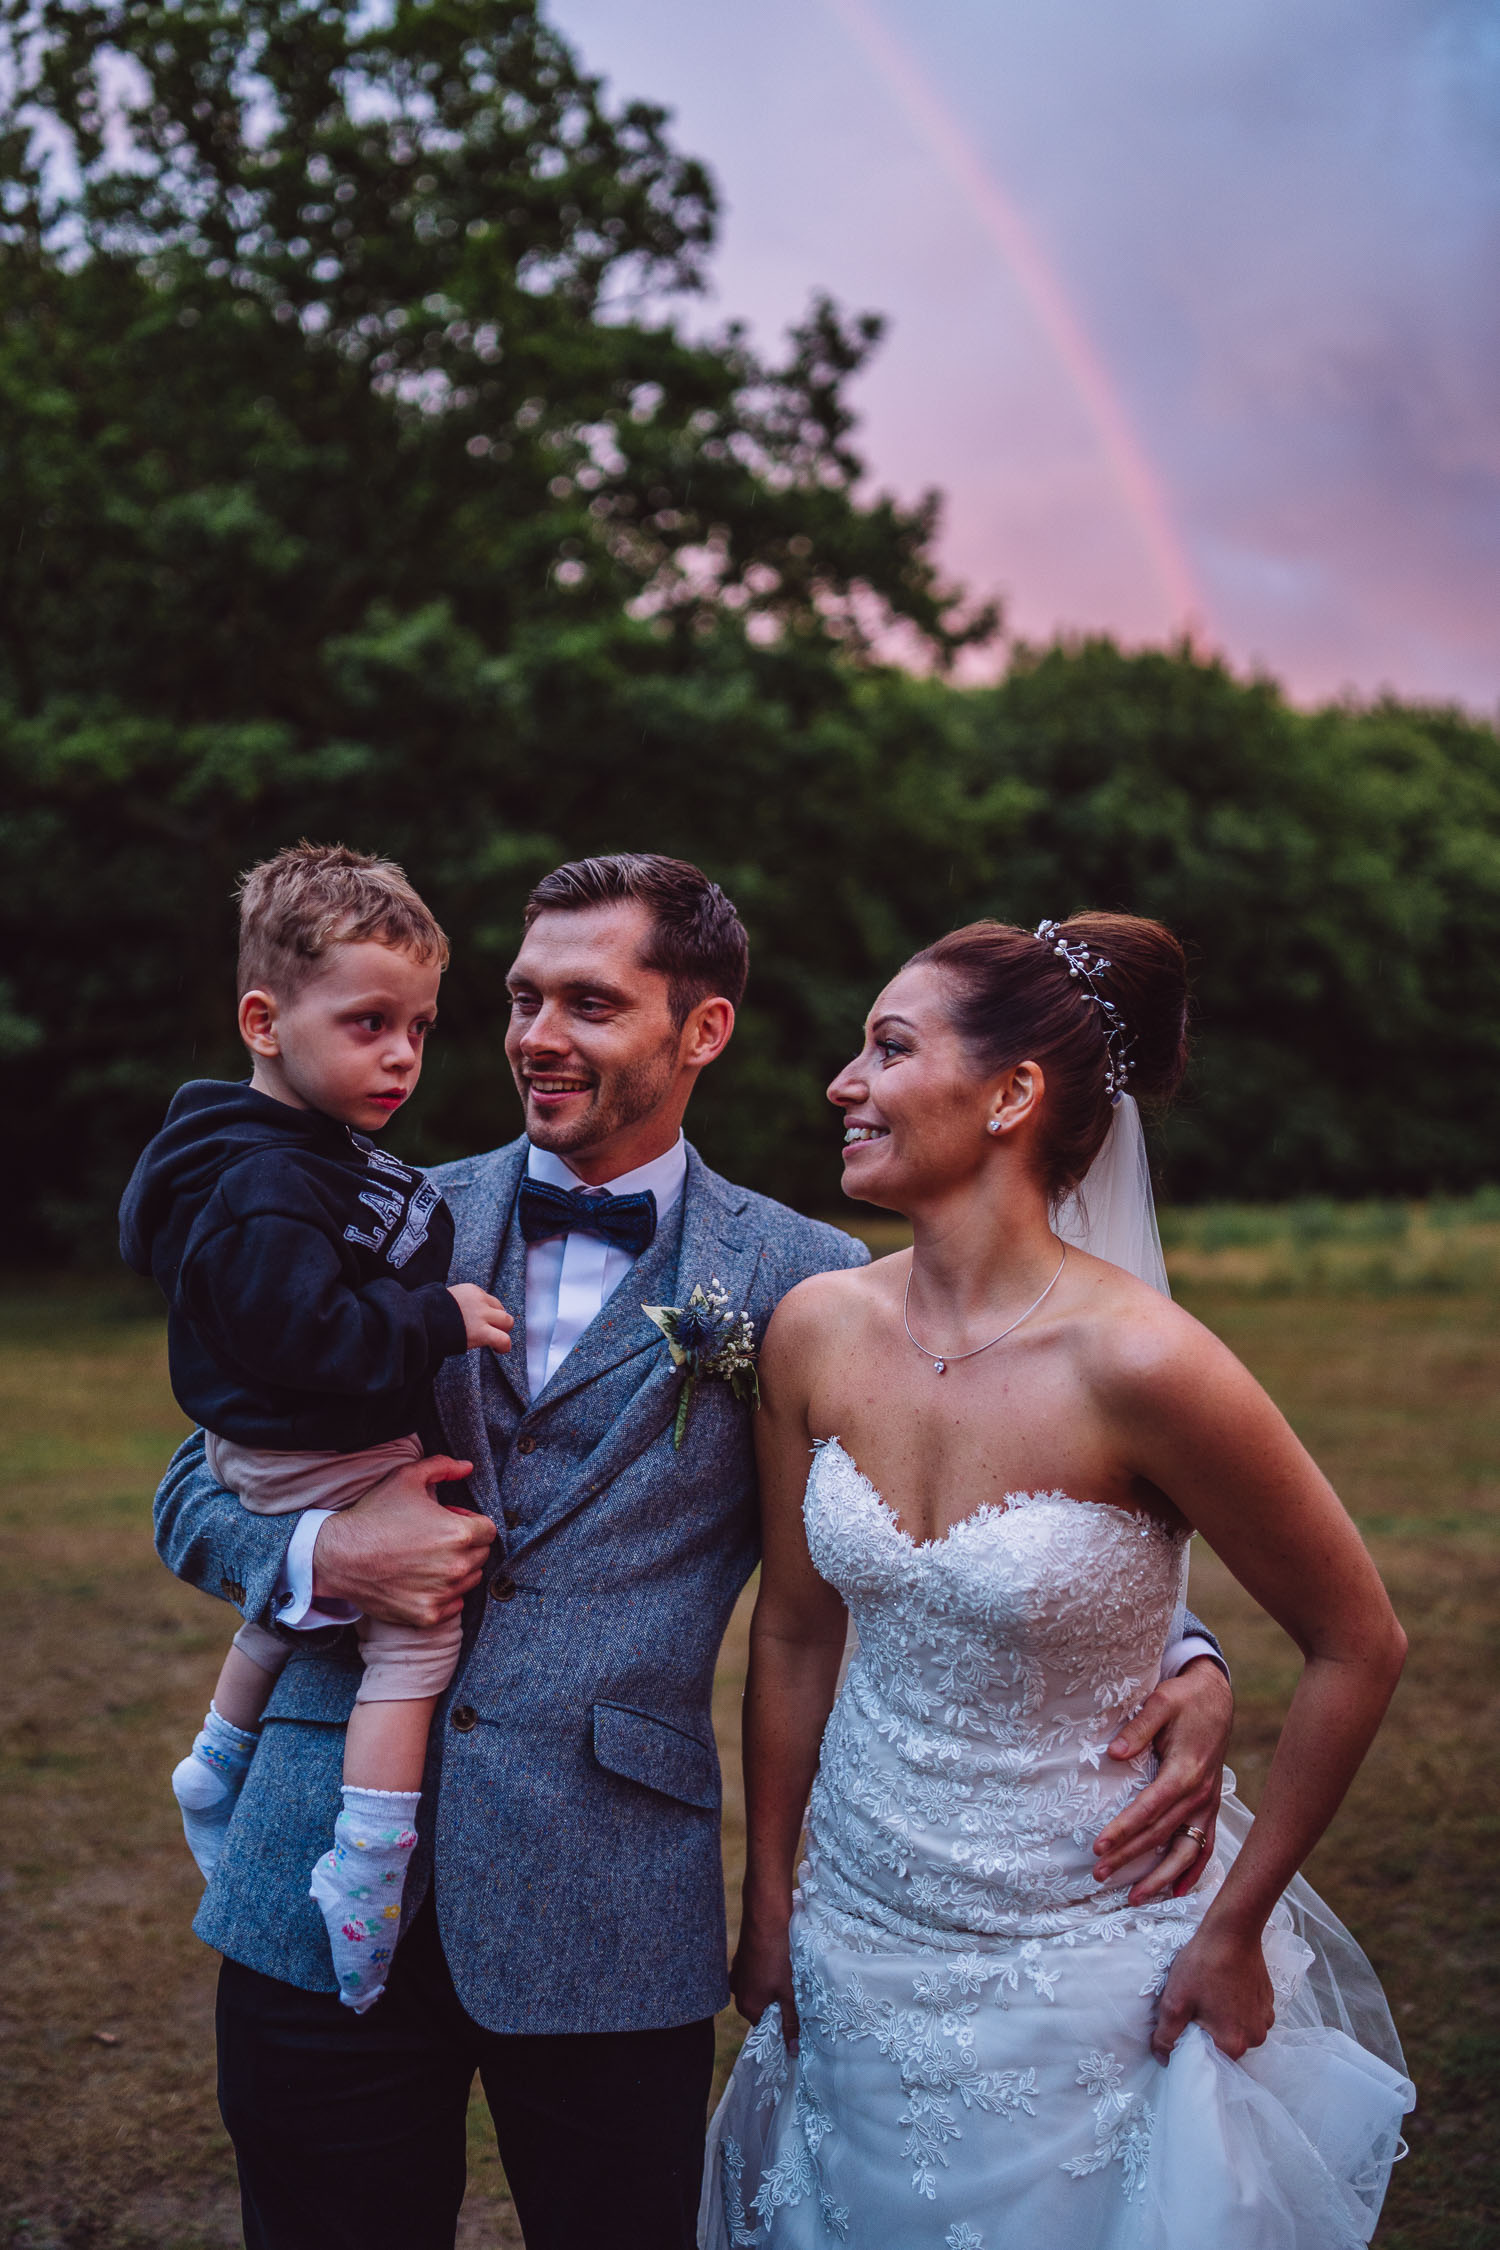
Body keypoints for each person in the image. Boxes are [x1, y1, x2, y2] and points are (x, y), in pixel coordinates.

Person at [153, 858, 1234, 2250]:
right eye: (522, 996)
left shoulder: (805, 1278)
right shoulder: (367, 1203)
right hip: (316, 1860)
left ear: (701, 1031)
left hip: (610, 1898)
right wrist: (325, 1553)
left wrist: (1184, 1650)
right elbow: (197, 1480)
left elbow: (982, 1499)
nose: (537, 1034)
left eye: (590, 1002)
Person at [705, 913, 1415, 2250]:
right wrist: (773, 1890)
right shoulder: (816, 1329)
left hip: (1090, 1949)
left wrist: (1237, 1922)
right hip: (856, 1937)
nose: (840, 1083)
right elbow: (796, 1633)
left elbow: (1356, 1641)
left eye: (887, 1046)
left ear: (1012, 1094)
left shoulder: (1148, 1365)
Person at [122, 843, 514, 2011]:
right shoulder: (266, 1183)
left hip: (298, 1447)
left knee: (305, 1614)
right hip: (314, 1451)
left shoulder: (302, 1157)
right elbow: (303, 1338)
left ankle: (216, 1758)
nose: (401, 1054)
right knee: (412, 1640)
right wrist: (431, 1320)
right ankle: (365, 1865)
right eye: (369, 1024)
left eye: (422, 1026)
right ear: (262, 1020)